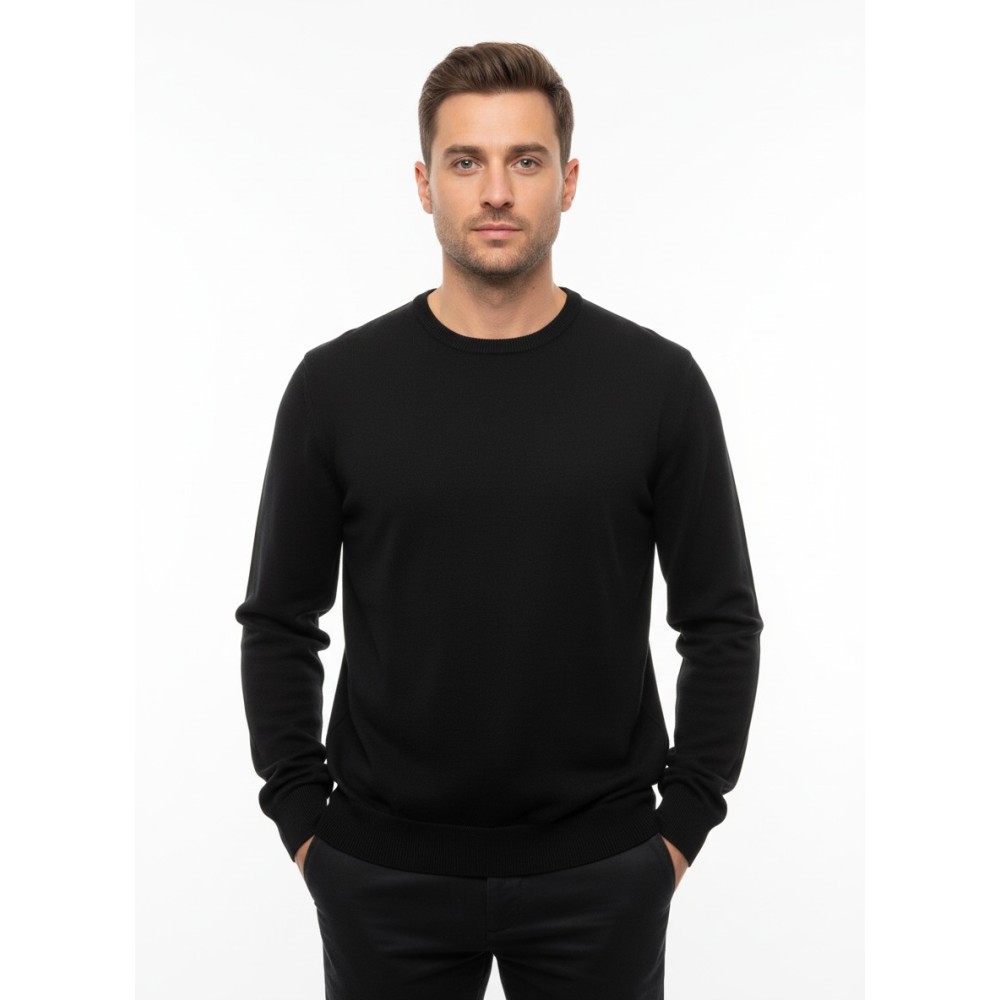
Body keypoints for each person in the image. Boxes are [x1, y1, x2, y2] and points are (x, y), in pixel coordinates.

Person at [235, 40, 763, 1000]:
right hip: (381, 873)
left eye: (525, 160)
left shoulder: (656, 386)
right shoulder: (337, 388)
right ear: (423, 184)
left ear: (568, 181)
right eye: (464, 161)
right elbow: (279, 620)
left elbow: (721, 621)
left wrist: (681, 828)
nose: (495, 192)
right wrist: (305, 823)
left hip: (600, 873)